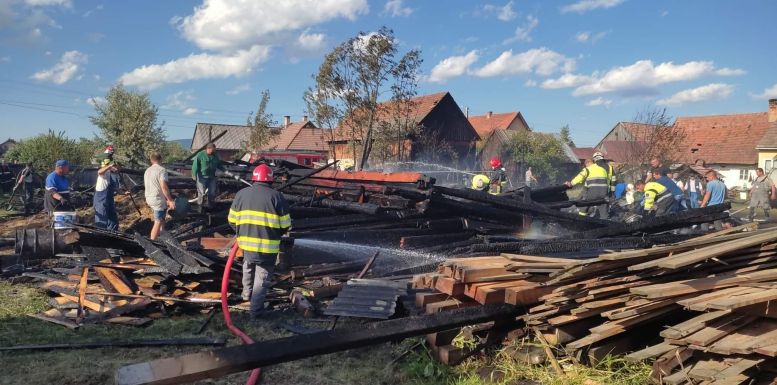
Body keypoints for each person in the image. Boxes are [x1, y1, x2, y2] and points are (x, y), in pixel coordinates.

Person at [228, 164, 290, 318]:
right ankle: (256, 311)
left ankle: (246, 296)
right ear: (271, 179)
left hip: (246, 244)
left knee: (248, 266)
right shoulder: (276, 196)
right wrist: (277, 233)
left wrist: (242, 233)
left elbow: (231, 220)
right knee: (262, 277)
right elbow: (286, 225)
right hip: (267, 247)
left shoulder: (241, 194)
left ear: (254, 178)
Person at [565, 152, 610, 219]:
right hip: (604, 193)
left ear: (588, 163)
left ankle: (580, 220)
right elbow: (607, 182)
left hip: (593, 193)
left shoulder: (587, 169)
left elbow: (580, 177)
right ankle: (606, 225)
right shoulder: (603, 170)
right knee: (604, 211)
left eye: (585, 165)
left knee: (584, 206)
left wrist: (571, 183)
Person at [144, 153, 176, 240]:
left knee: (161, 218)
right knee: (158, 221)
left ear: (151, 160)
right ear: (160, 159)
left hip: (149, 197)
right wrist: (170, 200)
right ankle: (152, 243)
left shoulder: (147, 170)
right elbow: (163, 186)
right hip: (157, 199)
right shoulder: (162, 170)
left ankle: (162, 236)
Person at [191, 143, 225, 209]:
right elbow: (195, 165)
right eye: (212, 151)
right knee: (201, 193)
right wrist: (194, 174)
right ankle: (200, 207)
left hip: (212, 177)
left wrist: (224, 170)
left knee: (212, 192)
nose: (213, 152)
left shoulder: (215, 155)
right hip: (202, 177)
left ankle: (211, 207)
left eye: (214, 150)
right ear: (208, 149)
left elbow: (219, 165)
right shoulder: (200, 155)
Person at [94, 159, 120, 231]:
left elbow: (114, 188)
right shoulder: (104, 173)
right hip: (101, 200)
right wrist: (109, 166)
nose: (117, 169)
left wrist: (124, 192)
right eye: (116, 167)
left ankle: (113, 236)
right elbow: (99, 172)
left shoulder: (111, 176)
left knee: (113, 220)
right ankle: (100, 236)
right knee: (101, 221)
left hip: (109, 200)